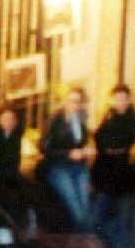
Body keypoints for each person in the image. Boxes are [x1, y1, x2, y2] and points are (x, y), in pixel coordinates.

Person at [88, 86, 135, 248]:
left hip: (117, 170)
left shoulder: (133, 119)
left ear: (129, 100)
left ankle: (111, 246)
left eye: (123, 99)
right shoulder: (109, 114)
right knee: (105, 208)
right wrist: (102, 142)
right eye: (116, 99)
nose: (119, 102)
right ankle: (104, 244)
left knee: (108, 209)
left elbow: (119, 143)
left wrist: (105, 143)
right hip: (102, 168)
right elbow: (98, 136)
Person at [40, 87, 96, 230]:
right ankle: (87, 245)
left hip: (79, 167)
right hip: (59, 168)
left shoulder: (81, 118)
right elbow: (43, 148)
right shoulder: (54, 119)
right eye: (71, 101)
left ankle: (85, 245)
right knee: (76, 210)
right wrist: (68, 153)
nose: (75, 105)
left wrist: (85, 151)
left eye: (78, 102)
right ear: (64, 101)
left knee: (85, 207)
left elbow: (80, 143)